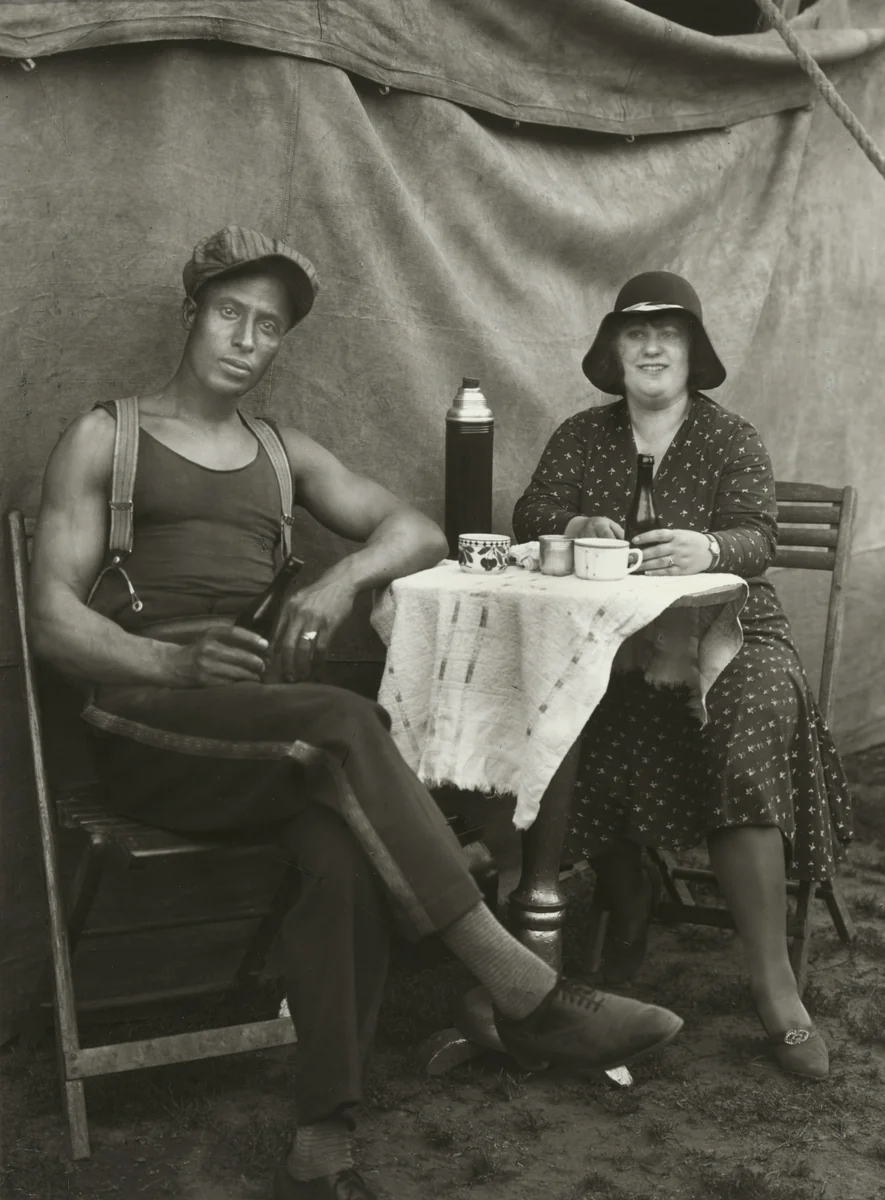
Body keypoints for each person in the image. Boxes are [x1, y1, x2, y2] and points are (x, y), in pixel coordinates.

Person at [29, 229, 683, 1200]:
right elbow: (48, 620)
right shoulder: (108, 437)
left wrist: (340, 579)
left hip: (265, 734)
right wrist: (169, 657)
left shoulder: (279, 450)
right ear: (191, 315)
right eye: (230, 314)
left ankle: (323, 1139)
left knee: (339, 843)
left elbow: (414, 529)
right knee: (343, 724)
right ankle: (522, 988)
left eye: (269, 326)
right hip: (145, 722)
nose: (247, 338)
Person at [513, 271, 852, 1083]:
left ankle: (773, 983)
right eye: (636, 333)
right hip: (615, 642)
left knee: (747, 717)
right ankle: (627, 905)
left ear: (694, 352)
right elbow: (529, 516)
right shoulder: (580, 437)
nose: (653, 346)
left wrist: (708, 548)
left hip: (731, 633)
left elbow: (759, 538)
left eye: (670, 333)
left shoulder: (731, 437)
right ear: (614, 351)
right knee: (567, 711)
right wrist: (572, 523)